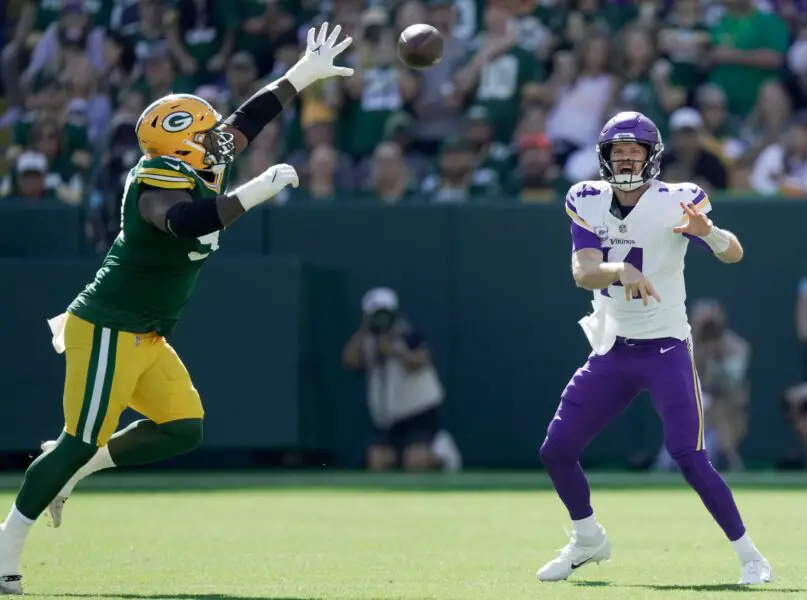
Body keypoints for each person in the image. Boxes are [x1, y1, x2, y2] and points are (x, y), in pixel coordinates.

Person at [0, 23, 354, 595]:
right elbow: (188, 220)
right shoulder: (154, 182)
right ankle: (6, 544)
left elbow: (247, 120)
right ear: (182, 144)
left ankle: (74, 471)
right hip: (110, 327)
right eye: (207, 132)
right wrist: (257, 190)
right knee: (77, 438)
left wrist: (302, 74)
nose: (222, 138)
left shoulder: (195, 159)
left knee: (182, 429)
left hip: (147, 332)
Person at [536, 112, 772, 585]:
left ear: (651, 156)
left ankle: (750, 556)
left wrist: (707, 232)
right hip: (611, 350)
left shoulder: (676, 201)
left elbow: (734, 254)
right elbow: (584, 272)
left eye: (634, 151)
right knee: (556, 450)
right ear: (604, 157)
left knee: (688, 454)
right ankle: (588, 539)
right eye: (617, 152)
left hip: (665, 348)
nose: (625, 159)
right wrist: (620, 270)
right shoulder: (587, 199)